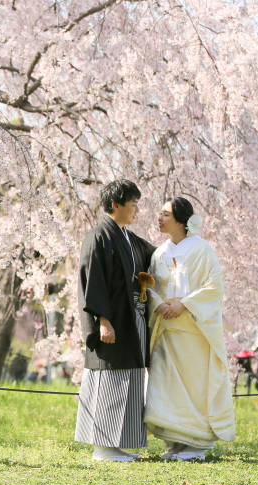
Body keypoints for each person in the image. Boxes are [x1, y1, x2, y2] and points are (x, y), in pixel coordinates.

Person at [143, 198, 236, 461]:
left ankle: (195, 445)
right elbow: (149, 285)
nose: (159, 218)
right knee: (167, 385)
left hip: (193, 331)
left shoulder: (202, 248)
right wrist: (159, 304)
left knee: (193, 386)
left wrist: (184, 304)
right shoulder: (159, 253)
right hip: (167, 330)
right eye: (159, 213)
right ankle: (174, 443)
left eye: (165, 214)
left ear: (182, 221)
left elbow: (214, 285)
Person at [75, 179, 155, 462]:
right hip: (112, 321)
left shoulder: (129, 238)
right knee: (109, 378)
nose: (136, 209)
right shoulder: (98, 236)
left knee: (128, 379)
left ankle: (116, 445)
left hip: (132, 319)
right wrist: (103, 320)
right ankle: (103, 448)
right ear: (115, 205)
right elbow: (92, 281)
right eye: (132, 204)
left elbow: (158, 256)